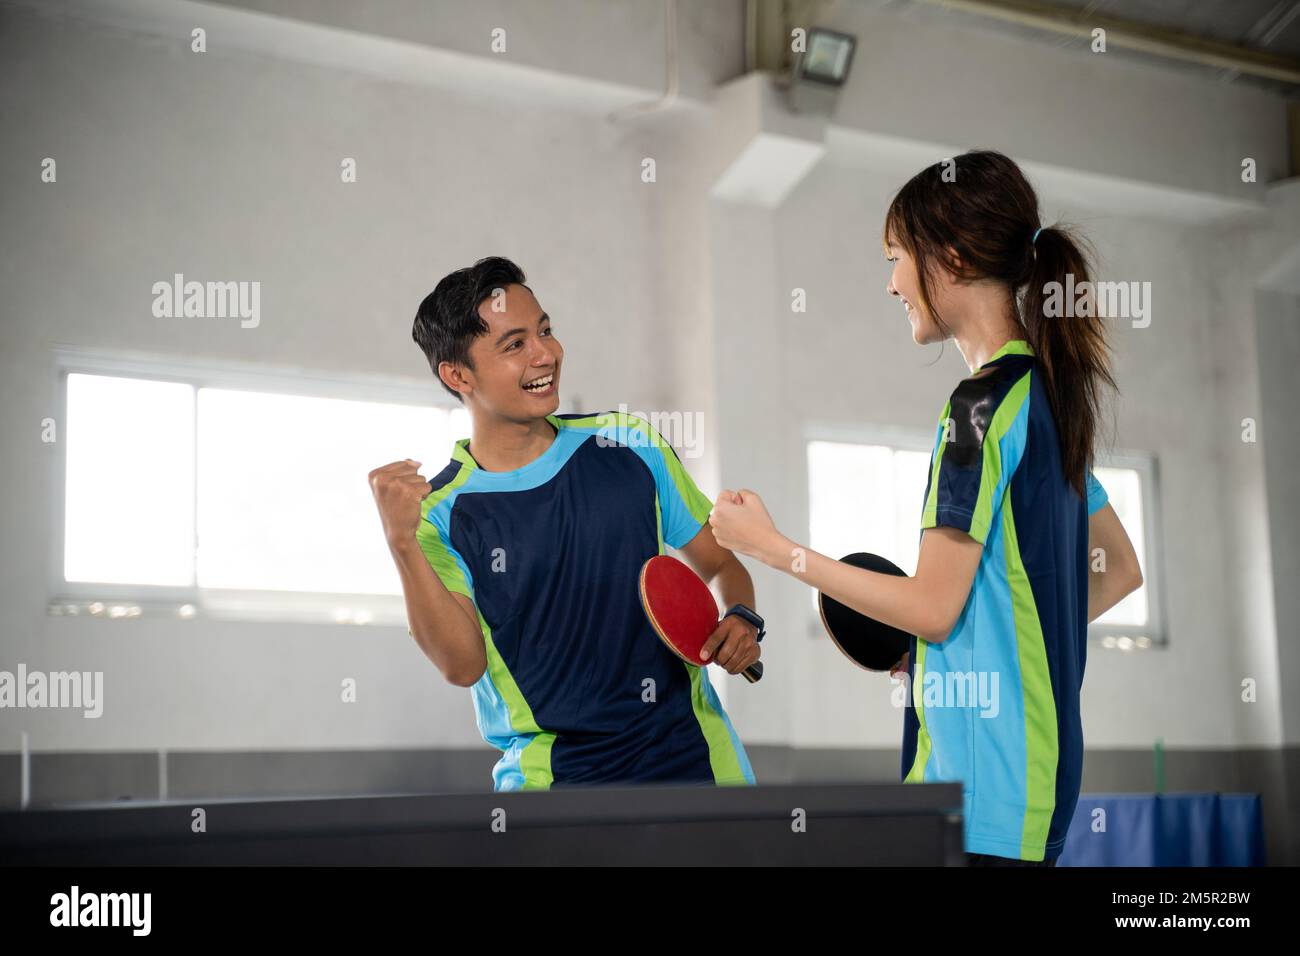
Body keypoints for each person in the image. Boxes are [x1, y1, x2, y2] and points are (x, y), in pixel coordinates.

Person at [708, 150, 1143, 864]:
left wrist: (770, 547)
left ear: (949, 258)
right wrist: (981, 645)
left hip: (981, 787)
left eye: (897, 258)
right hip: (1039, 774)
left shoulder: (977, 410)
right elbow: (1118, 571)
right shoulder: (1048, 400)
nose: (891, 285)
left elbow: (934, 608)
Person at [369, 256, 759, 791]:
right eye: (515, 345)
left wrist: (740, 616)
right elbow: (461, 666)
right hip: (553, 789)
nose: (546, 354)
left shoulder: (628, 444)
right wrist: (400, 542)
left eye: (545, 331)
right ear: (458, 375)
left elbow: (720, 564)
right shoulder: (438, 516)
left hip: (696, 762)